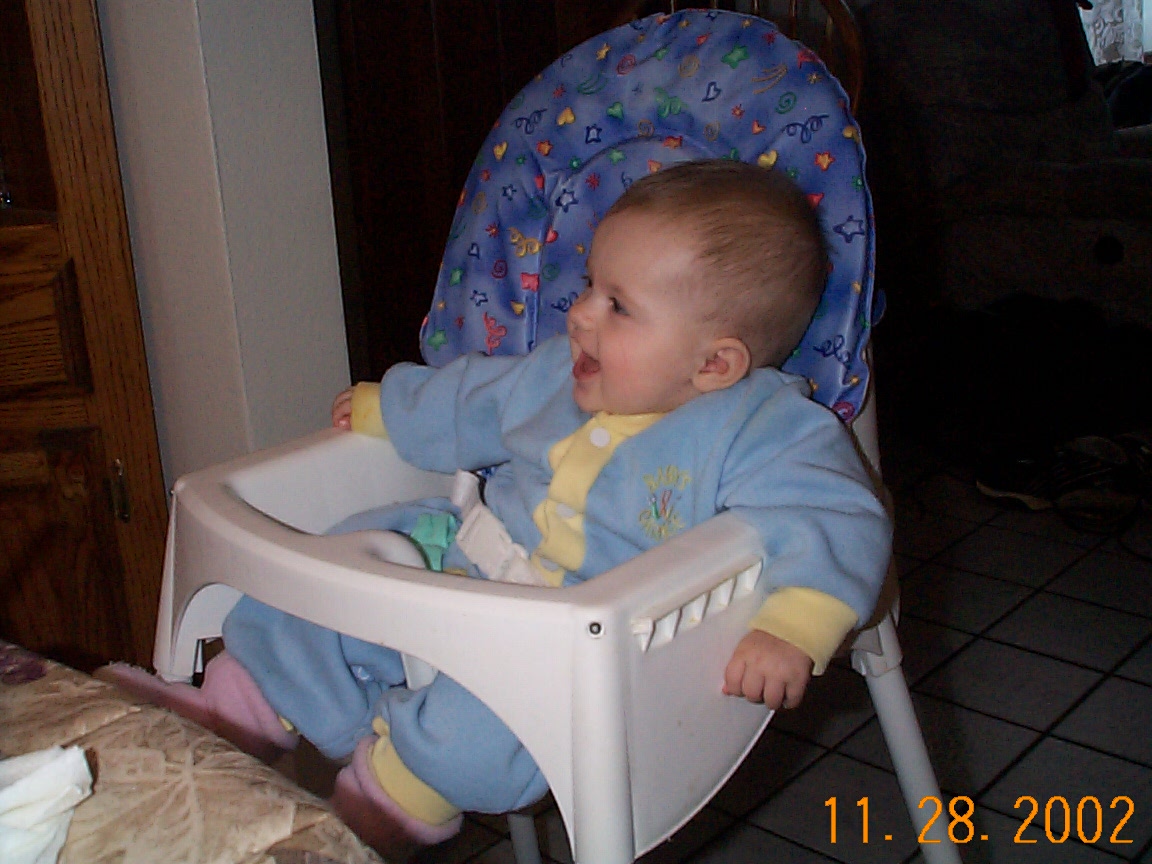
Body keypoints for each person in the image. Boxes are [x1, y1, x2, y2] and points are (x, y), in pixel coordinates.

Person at [101, 160, 890, 856]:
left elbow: (838, 513)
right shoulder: (556, 374)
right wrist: (391, 408)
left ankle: (364, 822)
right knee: (339, 567)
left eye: (619, 306)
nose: (580, 313)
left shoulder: (762, 428)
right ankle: (227, 715)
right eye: (589, 286)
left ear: (715, 363)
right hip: (464, 555)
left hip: (563, 645)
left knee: (476, 734)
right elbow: (474, 399)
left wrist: (795, 624)